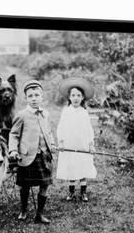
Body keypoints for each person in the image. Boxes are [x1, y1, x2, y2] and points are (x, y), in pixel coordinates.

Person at [8, 80, 56, 223]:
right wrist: (13, 150)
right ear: (26, 98)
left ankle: (39, 214)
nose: (34, 99)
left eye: (37, 95)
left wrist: (52, 144)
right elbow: (14, 134)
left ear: (42, 97)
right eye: (30, 96)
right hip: (27, 156)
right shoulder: (22, 115)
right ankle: (23, 210)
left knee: (45, 184)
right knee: (25, 186)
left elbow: (49, 132)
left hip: (44, 155)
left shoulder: (46, 114)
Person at [55, 77, 97, 202]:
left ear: (83, 97)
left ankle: (83, 192)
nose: (76, 98)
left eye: (79, 95)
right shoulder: (66, 112)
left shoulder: (84, 112)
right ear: (69, 97)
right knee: (71, 167)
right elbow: (61, 127)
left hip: (82, 144)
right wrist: (61, 142)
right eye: (73, 95)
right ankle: (71, 191)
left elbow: (89, 129)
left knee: (82, 165)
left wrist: (90, 144)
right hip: (69, 143)